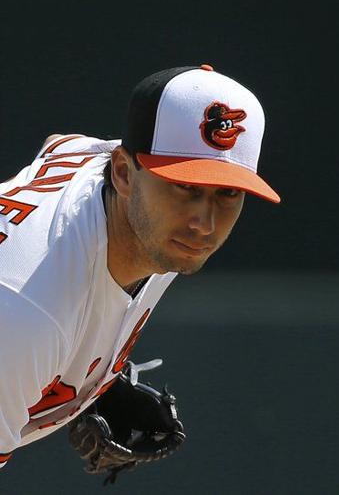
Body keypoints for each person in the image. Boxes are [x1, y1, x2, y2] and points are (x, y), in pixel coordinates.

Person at [0, 65, 280, 474]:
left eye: (228, 192)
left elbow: (63, 147)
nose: (204, 222)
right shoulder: (28, 310)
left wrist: (84, 375)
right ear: (123, 173)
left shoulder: (131, 199)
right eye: (184, 187)